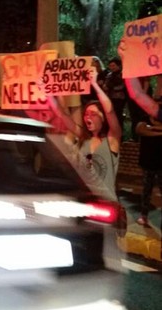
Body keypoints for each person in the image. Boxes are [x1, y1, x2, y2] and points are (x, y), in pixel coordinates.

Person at [46, 68, 122, 200]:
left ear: (103, 118)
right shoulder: (83, 137)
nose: (88, 117)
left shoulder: (112, 140)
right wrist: (46, 92)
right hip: (84, 201)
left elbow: (109, 110)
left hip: (106, 202)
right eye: (86, 114)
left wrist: (94, 84)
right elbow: (61, 114)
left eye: (93, 114)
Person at [133, 107, 162, 226]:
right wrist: (159, 132)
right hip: (147, 162)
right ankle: (144, 216)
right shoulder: (145, 119)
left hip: (161, 164)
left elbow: (146, 131)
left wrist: (152, 130)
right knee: (146, 191)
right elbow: (139, 130)